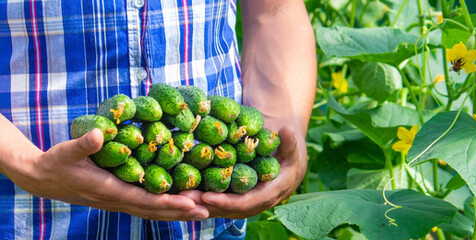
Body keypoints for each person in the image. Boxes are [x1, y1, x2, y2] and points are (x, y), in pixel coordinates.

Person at [0, 0, 315, 238]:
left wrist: (283, 129)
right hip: (30, 217)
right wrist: (25, 163)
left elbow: (274, 11)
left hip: (209, 218)